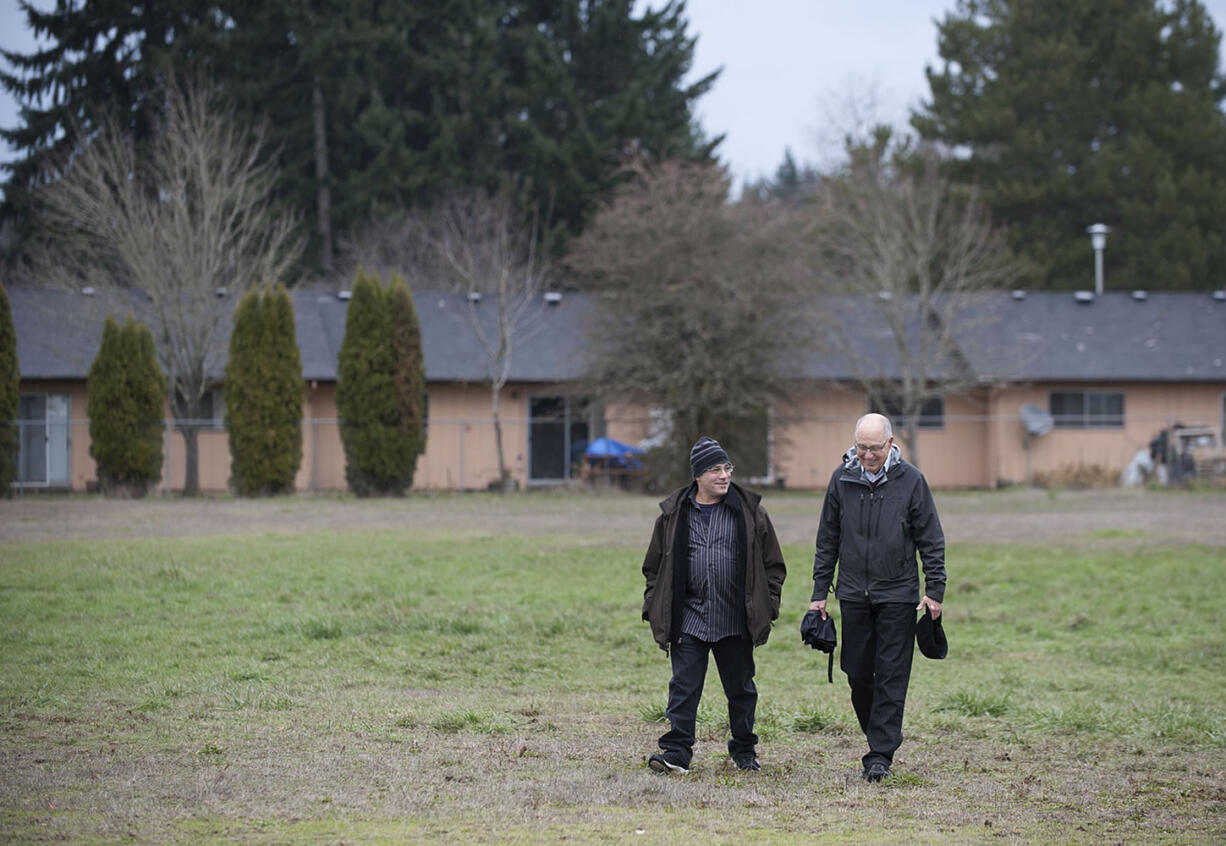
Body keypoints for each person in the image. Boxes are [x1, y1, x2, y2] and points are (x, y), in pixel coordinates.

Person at [808, 413, 945, 782]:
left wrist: (935, 590)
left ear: (890, 443)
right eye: (861, 447)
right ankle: (879, 733)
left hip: (899, 594)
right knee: (857, 673)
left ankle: (880, 753)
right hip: (853, 593)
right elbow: (827, 539)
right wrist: (819, 593)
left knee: (891, 674)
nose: (867, 455)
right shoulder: (842, 479)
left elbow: (931, 538)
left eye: (874, 447)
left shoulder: (912, 481)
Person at [641, 436, 787, 774]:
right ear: (698, 476)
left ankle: (744, 752)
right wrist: (655, 603)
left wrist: (769, 605)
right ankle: (676, 754)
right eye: (715, 469)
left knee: (741, 690)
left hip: (736, 619)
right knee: (683, 688)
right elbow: (653, 567)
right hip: (688, 619)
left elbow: (773, 565)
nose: (723, 476)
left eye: (727, 468)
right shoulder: (673, 515)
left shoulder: (751, 513)